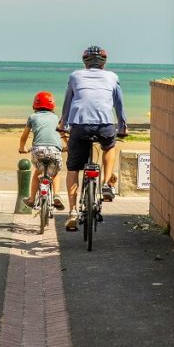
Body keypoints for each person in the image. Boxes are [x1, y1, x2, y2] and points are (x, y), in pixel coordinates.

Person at [59, 45, 128, 231]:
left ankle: (72, 211)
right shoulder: (112, 77)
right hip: (105, 124)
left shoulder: (75, 76)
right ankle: (106, 184)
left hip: (80, 126)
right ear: (104, 63)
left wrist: (63, 124)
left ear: (85, 62)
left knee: (73, 168)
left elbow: (68, 102)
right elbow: (119, 104)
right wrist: (122, 126)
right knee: (109, 146)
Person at [18, 91, 67, 211]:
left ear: (35, 105)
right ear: (53, 106)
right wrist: (68, 146)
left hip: (38, 151)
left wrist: (22, 147)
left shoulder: (32, 117)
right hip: (54, 151)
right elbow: (62, 134)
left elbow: (24, 135)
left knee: (37, 172)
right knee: (55, 173)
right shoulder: (56, 118)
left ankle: (31, 199)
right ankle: (56, 195)